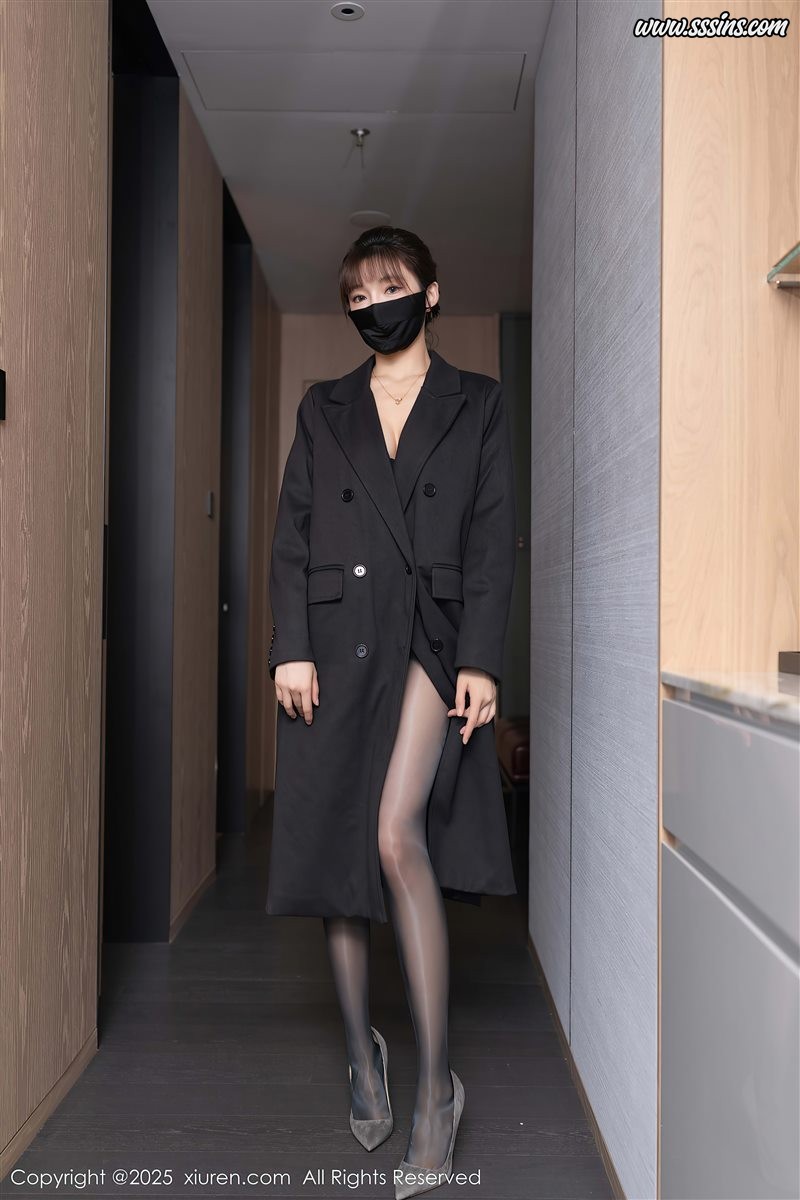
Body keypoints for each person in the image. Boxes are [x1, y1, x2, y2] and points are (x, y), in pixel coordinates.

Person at [266, 226, 517, 1199]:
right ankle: (361, 1057)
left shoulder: (477, 403)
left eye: (390, 287)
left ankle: (434, 1088)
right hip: (333, 642)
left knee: (391, 829)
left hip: (429, 634)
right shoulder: (323, 407)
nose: (375, 305)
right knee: (342, 846)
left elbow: (491, 535)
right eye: (358, 296)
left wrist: (481, 659)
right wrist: (290, 643)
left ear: (430, 293)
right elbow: (292, 532)